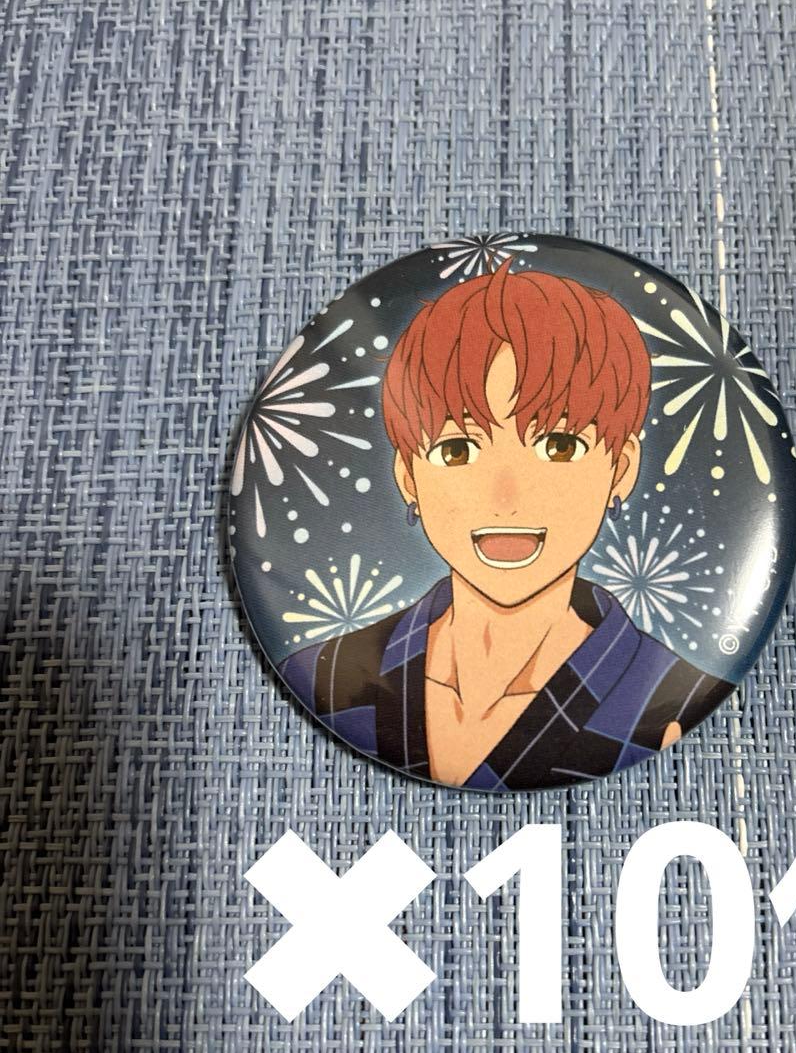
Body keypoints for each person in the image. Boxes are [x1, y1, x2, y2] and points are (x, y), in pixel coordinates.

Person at [279, 257, 731, 790]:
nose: (505, 499)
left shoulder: (665, 702)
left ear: (621, 469)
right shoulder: (332, 673)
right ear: (408, 478)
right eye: (457, 450)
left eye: (559, 446)